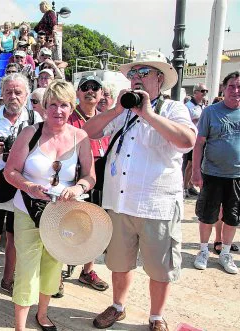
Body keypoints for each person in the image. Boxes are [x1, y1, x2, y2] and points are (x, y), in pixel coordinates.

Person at [83, 50, 197, 330]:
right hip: (120, 203)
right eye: (132, 74)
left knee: (160, 267)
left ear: (159, 78)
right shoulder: (122, 113)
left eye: (143, 73)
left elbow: (187, 141)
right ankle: (118, 306)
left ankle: (157, 316)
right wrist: (117, 109)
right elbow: (91, 130)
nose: (136, 78)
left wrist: (147, 113)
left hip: (156, 204)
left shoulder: (173, 109)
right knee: (119, 263)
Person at [4, 80, 95, 331]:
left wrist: (78, 188)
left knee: (53, 264)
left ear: (72, 107)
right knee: (26, 266)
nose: (58, 111)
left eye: (64, 105)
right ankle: (20, 325)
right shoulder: (29, 133)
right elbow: (10, 172)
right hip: (27, 209)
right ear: (44, 107)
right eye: (52, 104)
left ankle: (42, 314)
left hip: (61, 212)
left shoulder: (80, 136)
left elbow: (90, 176)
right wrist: (29, 187)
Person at [0, 73, 42, 302]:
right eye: (8, 92)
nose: (13, 97)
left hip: (22, 184)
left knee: (15, 238)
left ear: (26, 95)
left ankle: (8, 280)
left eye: (18, 92)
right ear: (1, 94)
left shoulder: (34, 118)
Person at [192, 71, 240, 275]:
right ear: (223, 87)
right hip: (212, 174)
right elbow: (199, 144)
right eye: (231, 86)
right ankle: (203, 250)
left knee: (233, 217)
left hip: (237, 177)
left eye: (239, 87)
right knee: (207, 216)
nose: (236, 91)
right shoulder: (210, 112)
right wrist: (195, 171)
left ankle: (225, 253)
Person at [67, 75, 110, 291]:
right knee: (67, 225)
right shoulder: (68, 117)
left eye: (95, 87)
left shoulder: (107, 119)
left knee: (95, 226)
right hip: (74, 178)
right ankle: (57, 273)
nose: (90, 91)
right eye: (85, 87)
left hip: (101, 179)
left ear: (101, 94)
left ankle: (87, 270)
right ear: (78, 92)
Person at [183, 83, 208, 198]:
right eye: (203, 91)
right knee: (190, 164)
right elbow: (183, 123)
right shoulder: (188, 106)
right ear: (195, 92)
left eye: (206, 91)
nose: (205, 93)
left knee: (196, 164)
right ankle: (184, 187)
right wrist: (198, 119)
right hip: (192, 138)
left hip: (201, 139)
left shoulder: (202, 106)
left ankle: (190, 185)